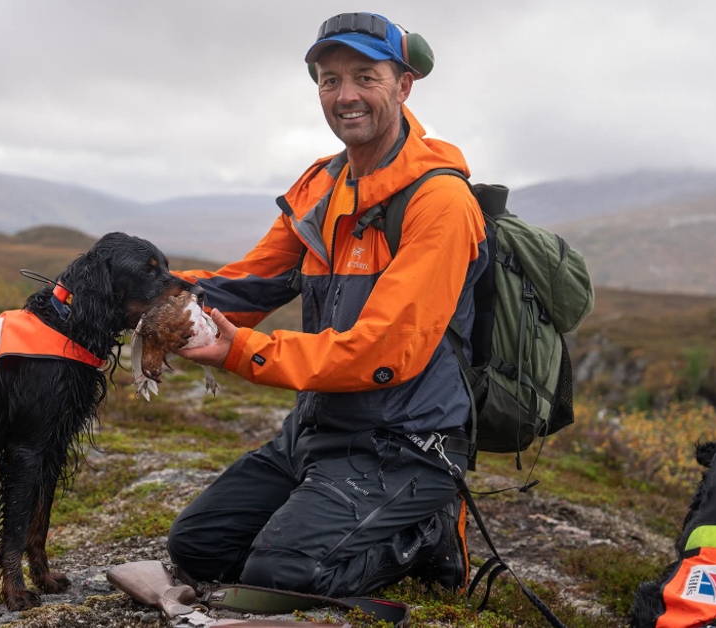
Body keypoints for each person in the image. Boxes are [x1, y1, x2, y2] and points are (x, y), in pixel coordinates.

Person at [166, 12, 489, 598]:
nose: (345, 96)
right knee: (198, 545)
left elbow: (384, 351)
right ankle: (323, 515)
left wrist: (240, 351)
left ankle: (428, 530)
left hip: (405, 444)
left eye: (365, 77)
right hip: (318, 429)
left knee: (280, 575)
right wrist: (148, 295)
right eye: (328, 79)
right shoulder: (323, 187)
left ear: (404, 85)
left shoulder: (439, 201)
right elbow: (248, 287)